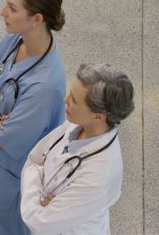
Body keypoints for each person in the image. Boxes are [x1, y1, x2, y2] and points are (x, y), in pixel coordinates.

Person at [0, 0, 66, 235]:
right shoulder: (14, 40)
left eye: (12, 8)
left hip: (18, 179)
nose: (2, 12)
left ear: (37, 19)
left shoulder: (45, 85)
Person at [20, 64, 134, 234]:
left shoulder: (98, 177)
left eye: (73, 100)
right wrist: (40, 194)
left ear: (98, 116)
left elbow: (38, 221)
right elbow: (34, 157)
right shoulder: (77, 124)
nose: (65, 101)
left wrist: (35, 173)